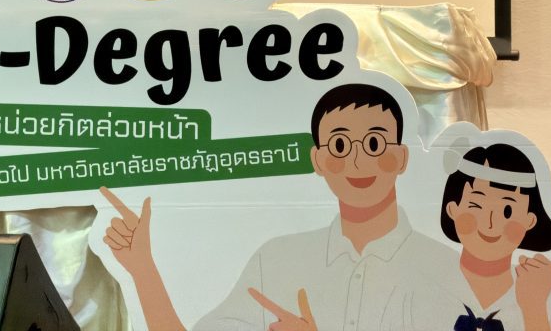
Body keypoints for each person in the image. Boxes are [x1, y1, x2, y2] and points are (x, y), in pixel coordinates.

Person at [102, 82, 457, 331]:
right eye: (339, 145)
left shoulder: (447, 271)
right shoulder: (276, 261)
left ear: (401, 157)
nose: (357, 160)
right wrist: (143, 268)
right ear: (318, 161)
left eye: (375, 144)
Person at [399, 143, 551, 331]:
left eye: (507, 211)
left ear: (530, 220)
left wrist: (535, 309)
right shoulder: (415, 292)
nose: (490, 223)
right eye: (476, 205)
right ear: (452, 209)